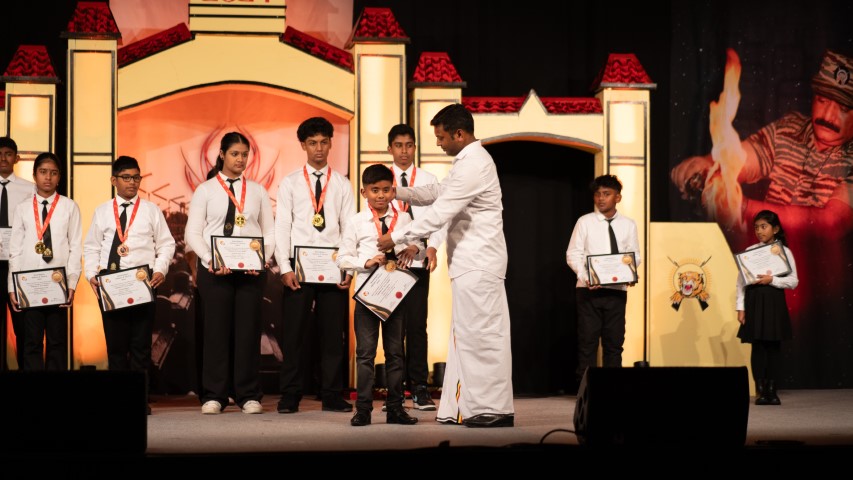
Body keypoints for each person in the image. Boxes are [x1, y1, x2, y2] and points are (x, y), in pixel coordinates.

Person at [378, 103, 514, 428]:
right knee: (466, 335)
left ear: (459, 133)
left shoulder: (475, 164)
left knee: (482, 336)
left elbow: (441, 211)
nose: (438, 143)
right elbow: (438, 191)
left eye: (441, 137)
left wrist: (396, 237)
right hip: (470, 262)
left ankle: (492, 408)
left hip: (479, 261)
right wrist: (397, 192)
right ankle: (464, 406)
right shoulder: (467, 162)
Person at [670, 49, 853, 240]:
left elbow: (833, 223)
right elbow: (740, 159)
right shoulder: (789, 128)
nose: (828, 116)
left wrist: (743, 208)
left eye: (843, 108)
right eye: (822, 100)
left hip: (814, 258)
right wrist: (707, 166)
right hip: (765, 253)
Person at [185, 132, 274, 414]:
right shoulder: (205, 190)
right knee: (216, 331)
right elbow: (192, 233)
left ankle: (248, 395)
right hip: (214, 271)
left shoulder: (258, 191)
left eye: (245, 155)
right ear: (222, 154)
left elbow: (269, 232)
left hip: (250, 272)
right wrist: (210, 259)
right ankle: (215, 395)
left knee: (248, 332)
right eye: (235, 154)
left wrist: (261, 260)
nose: (240, 159)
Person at [274, 116, 355, 414]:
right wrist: (284, 267)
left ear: (331, 143)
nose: (318, 149)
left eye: (323, 142)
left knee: (333, 335)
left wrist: (348, 267)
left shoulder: (342, 184)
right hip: (299, 267)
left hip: (333, 267)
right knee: (293, 335)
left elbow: (349, 228)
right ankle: (290, 394)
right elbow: (282, 227)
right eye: (312, 143)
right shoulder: (291, 182)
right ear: (303, 145)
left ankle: (331, 394)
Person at [83, 156, 176, 414]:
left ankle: (138, 400)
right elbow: (91, 247)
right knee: (116, 348)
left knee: (140, 347)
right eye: (126, 177)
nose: (132, 182)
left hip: (142, 284)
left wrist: (161, 269)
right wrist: (91, 274)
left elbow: (166, 244)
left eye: (136, 177)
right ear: (114, 180)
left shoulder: (151, 210)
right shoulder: (102, 211)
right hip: (110, 286)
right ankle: (117, 400)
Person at [336, 164, 421, 426]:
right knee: (365, 354)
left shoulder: (404, 219)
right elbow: (342, 257)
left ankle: (395, 408)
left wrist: (414, 248)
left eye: (385, 190)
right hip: (368, 296)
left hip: (395, 294)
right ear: (364, 192)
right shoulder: (356, 221)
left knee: (395, 353)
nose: (381, 195)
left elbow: (418, 243)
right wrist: (366, 262)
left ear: (393, 191)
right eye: (375, 190)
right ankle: (362, 410)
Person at [386, 123, 446, 411]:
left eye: (409, 145)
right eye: (399, 146)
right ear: (390, 148)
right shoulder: (381, 178)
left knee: (417, 326)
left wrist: (431, 246)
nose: (404, 151)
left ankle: (420, 388)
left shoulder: (428, 179)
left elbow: (440, 218)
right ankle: (394, 390)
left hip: (419, 259)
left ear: (415, 147)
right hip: (389, 262)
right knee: (392, 327)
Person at [8, 152, 82, 371]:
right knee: (31, 342)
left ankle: (54, 390)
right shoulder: (22, 208)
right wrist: (13, 287)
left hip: (58, 284)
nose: (48, 177)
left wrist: (72, 283)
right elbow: (15, 251)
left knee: (57, 343)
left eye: (53, 173)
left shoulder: (69, 207)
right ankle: (35, 390)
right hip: (29, 284)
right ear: (34, 175)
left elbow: (75, 248)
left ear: (59, 177)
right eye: (43, 172)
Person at [565, 174, 641, 382]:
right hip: (588, 291)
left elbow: (635, 255)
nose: (601, 198)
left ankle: (612, 388)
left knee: (614, 343)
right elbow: (573, 254)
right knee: (587, 342)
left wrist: (630, 272)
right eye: (597, 194)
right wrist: (586, 277)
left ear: (618, 197)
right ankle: (586, 389)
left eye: (606, 194)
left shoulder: (628, 224)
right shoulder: (585, 222)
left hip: (616, 292)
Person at [736, 210, 798, 405]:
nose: (759, 231)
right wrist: (740, 308)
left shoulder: (784, 252)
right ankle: (761, 389)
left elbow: (793, 281)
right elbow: (741, 283)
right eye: (756, 227)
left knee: (773, 346)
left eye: (764, 226)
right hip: (754, 302)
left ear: (775, 228)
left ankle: (772, 390)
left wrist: (773, 280)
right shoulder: (750, 251)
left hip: (773, 302)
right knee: (758, 347)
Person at [0, 136, 34, 370]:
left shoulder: (29, 189)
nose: (3, 158)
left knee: (24, 325)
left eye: (8, 154)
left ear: (17, 158)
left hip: (20, 265)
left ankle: (25, 375)